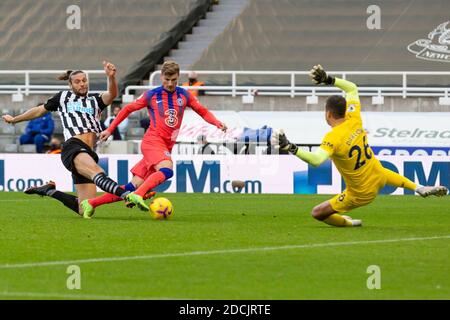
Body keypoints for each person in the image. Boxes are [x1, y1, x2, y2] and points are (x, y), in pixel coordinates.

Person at [271, 64, 448, 227]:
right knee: (381, 171)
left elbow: (317, 160)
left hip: (361, 193)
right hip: (378, 175)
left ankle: (351, 223)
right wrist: (328, 79)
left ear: (329, 114)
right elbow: (352, 88)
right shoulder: (354, 118)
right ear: (345, 110)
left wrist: (290, 147)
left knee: (317, 213)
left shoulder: (333, 137)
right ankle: (418, 187)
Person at [80, 60, 227, 217]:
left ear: (178, 78)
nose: (170, 84)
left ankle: (90, 203)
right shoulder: (152, 94)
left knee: (131, 186)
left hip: (165, 146)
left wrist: (216, 122)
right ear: (161, 77)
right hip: (152, 142)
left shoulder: (184, 95)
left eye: (174, 80)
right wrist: (110, 129)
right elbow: (128, 109)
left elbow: (203, 111)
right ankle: (138, 195)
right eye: (167, 79)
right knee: (167, 170)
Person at [2, 61, 141, 218]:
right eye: (77, 82)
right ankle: (128, 195)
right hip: (73, 147)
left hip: (89, 152)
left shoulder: (96, 100)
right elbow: (38, 111)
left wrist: (111, 78)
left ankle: (48, 190)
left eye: (84, 80)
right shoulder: (63, 97)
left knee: (84, 208)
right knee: (98, 172)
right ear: (71, 85)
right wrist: (14, 119)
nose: (82, 84)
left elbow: (112, 95)